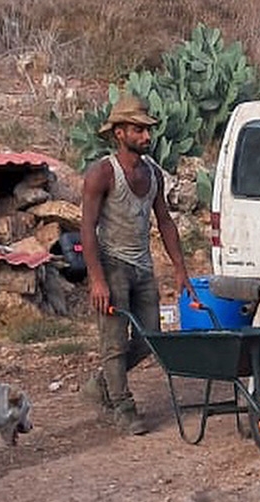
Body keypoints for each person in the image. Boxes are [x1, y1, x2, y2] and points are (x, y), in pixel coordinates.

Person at [78, 93, 190, 434]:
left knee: (151, 338)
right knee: (113, 341)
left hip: (141, 265)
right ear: (119, 134)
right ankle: (123, 408)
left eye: (147, 130)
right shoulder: (103, 174)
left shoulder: (152, 173)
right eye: (138, 130)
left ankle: (101, 386)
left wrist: (180, 269)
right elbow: (87, 229)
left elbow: (165, 222)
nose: (146, 136)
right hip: (112, 265)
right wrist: (97, 279)